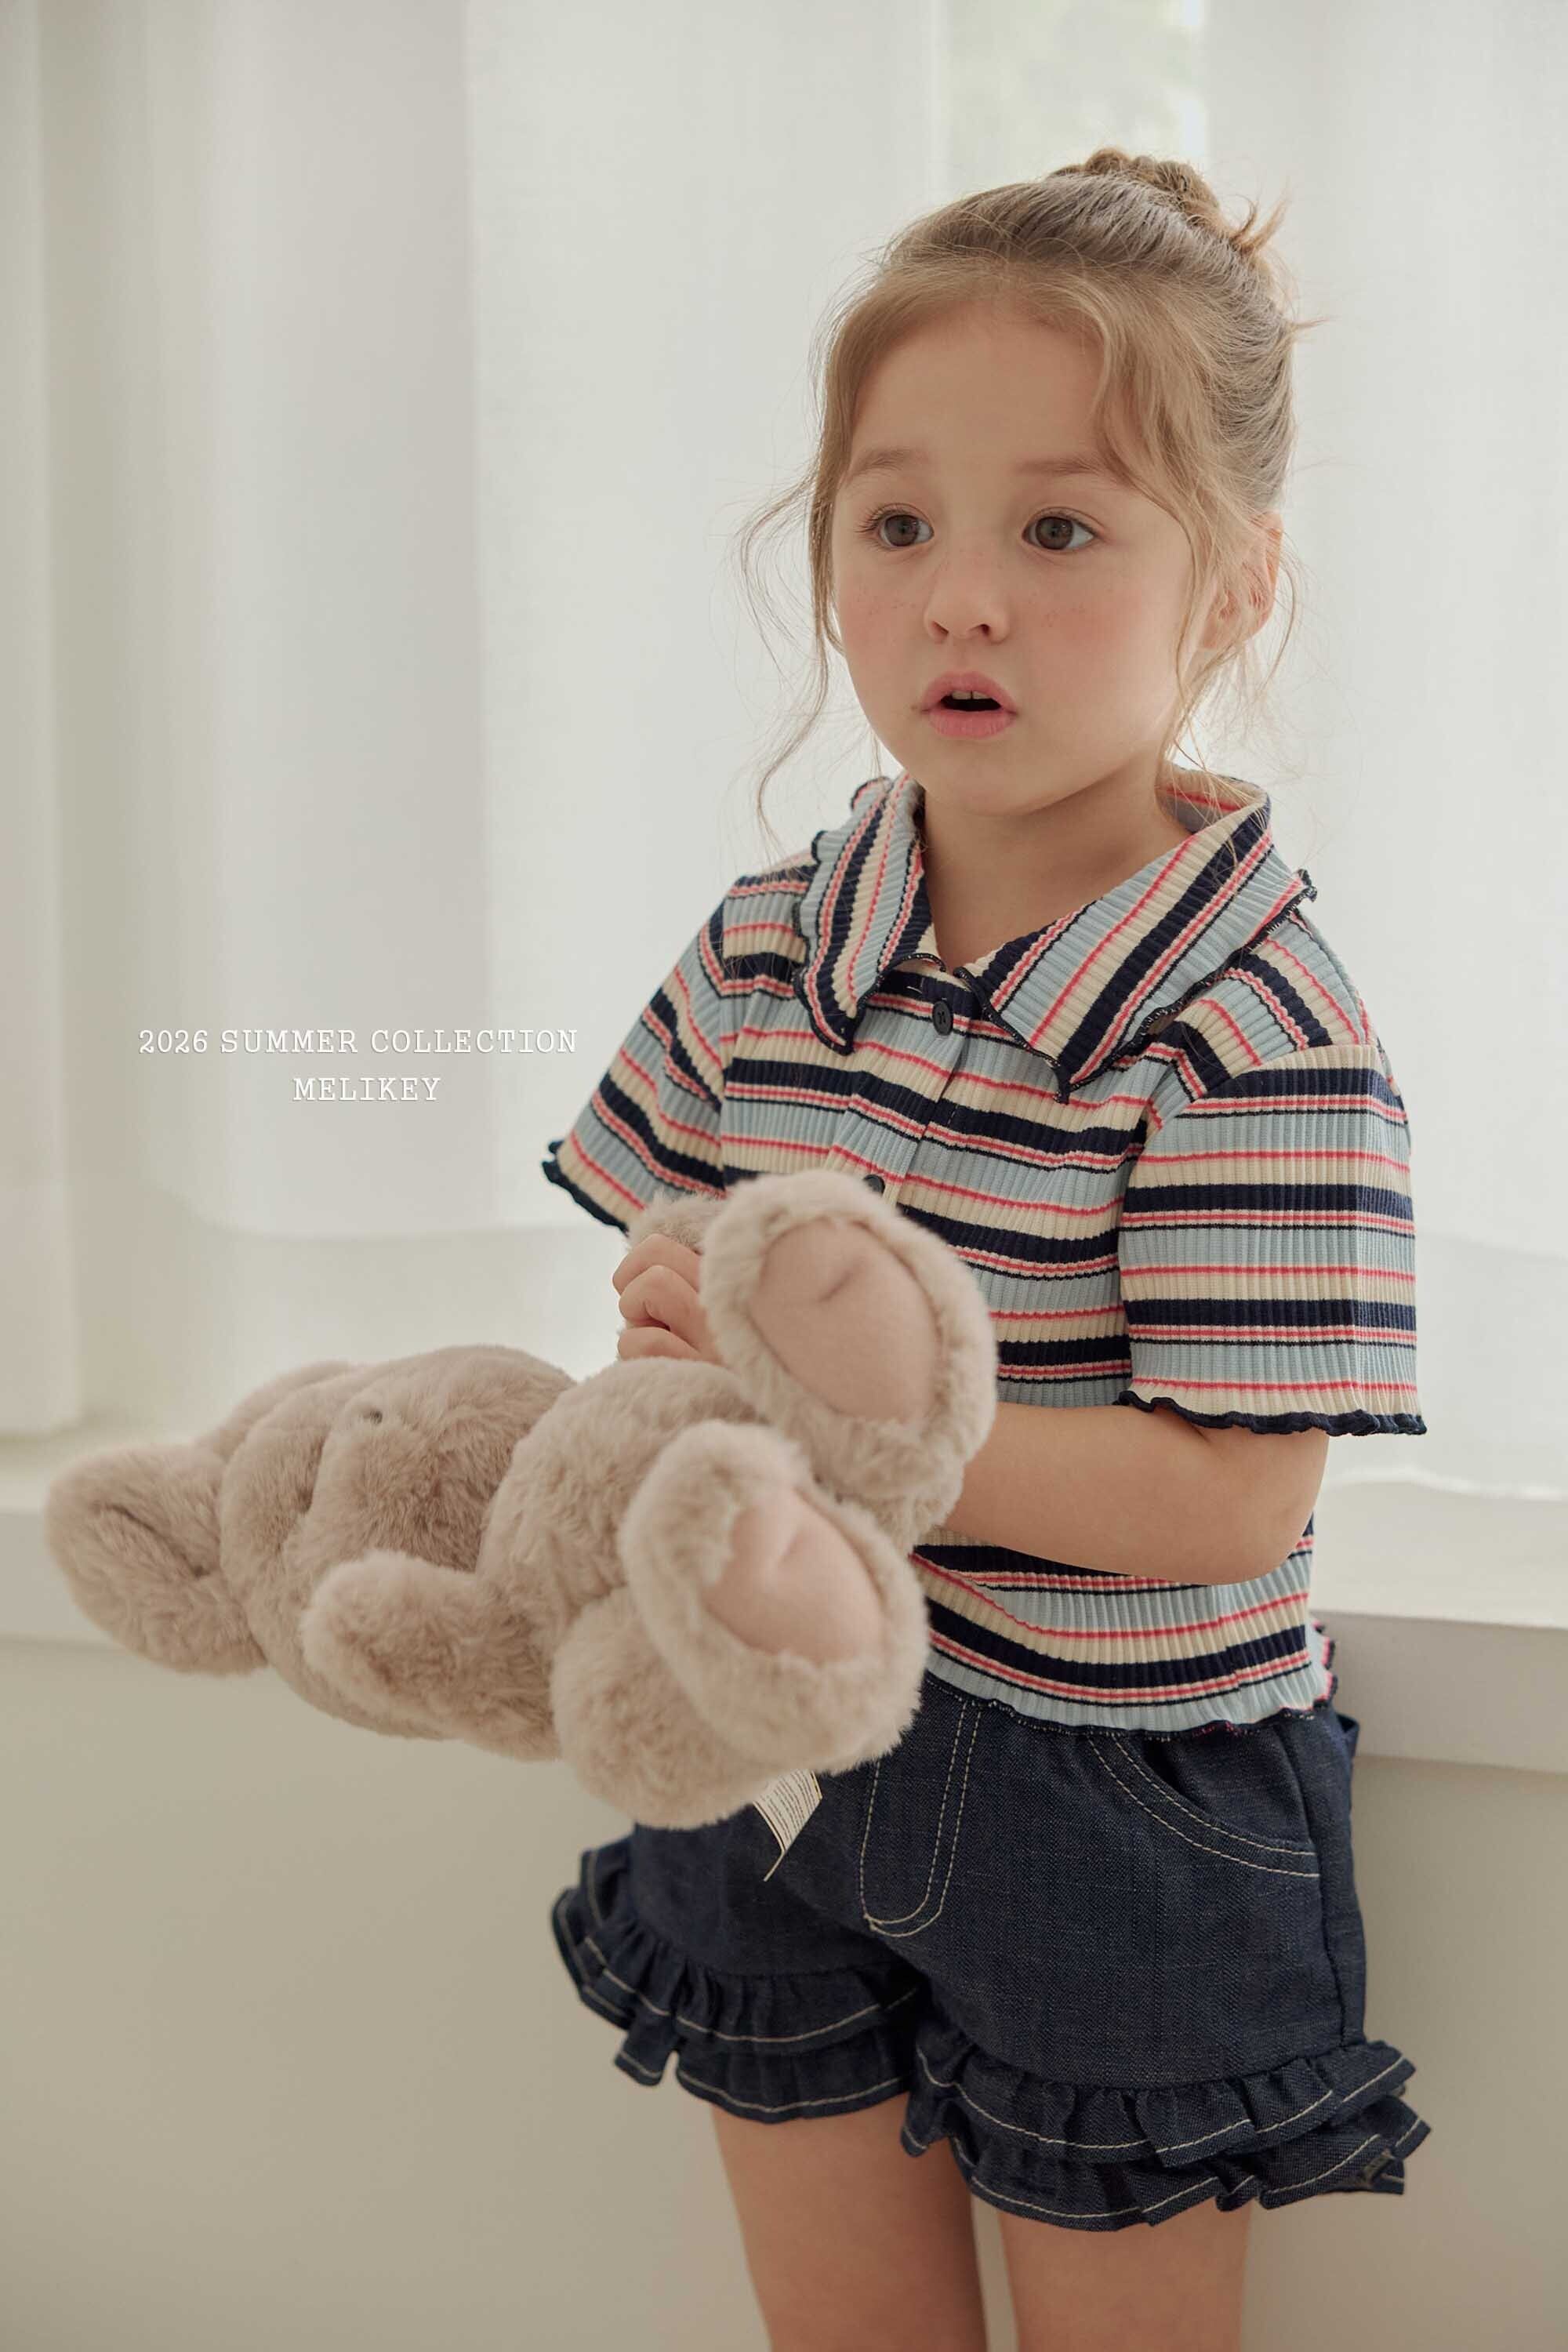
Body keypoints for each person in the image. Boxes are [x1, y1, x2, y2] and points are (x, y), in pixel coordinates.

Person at [542, 148, 1431, 2352]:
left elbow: (1231, 1497)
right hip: (762, 1727)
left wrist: (833, 1421)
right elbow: (659, 1295)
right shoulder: (770, 948)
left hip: (1104, 1808)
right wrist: (665, 1373)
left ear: (1234, 581)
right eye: (896, 524)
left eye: (1059, 531)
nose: (962, 601)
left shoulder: (1251, 1027)